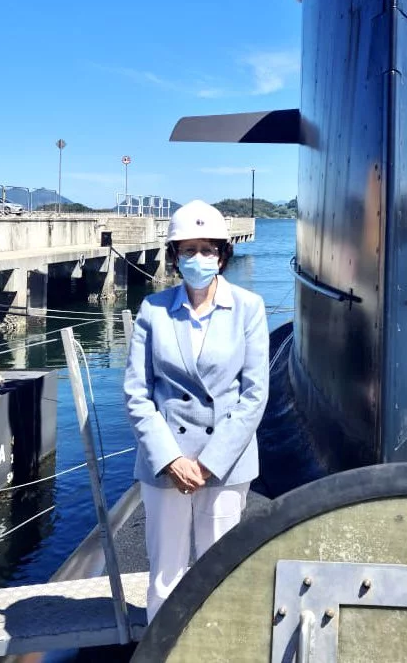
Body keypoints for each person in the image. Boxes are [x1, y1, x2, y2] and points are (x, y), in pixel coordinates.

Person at [124, 199, 269, 621]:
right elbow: (137, 392)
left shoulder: (248, 308)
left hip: (224, 462)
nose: (199, 259)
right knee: (164, 575)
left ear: (222, 255)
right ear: (174, 256)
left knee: (218, 572)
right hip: (166, 460)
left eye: (208, 249)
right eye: (188, 250)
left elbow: (254, 395)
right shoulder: (153, 309)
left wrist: (207, 463)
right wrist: (171, 460)